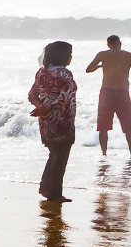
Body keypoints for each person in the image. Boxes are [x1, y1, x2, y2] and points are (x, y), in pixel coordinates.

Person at [29, 41, 78, 203]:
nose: (71, 57)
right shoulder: (65, 73)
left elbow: (32, 94)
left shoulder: (41, 73)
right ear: (63, 57)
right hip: (62, 121)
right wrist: (47, 107)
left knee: (54, 154)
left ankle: (46, 187)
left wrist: (41, 107)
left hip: (45, 121)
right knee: (61, 156)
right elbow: (65, 96)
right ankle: (54, 194)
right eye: (69, 54)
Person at [87, 36, 131, 154]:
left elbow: (88, 69)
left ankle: (104, 154)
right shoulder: (128, 55)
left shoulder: (102, 54)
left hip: (107, 92)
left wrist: (100, 66)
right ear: (120, 43)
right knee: (128, 126)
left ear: (108, 45)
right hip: (122, 92)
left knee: (103, 127)